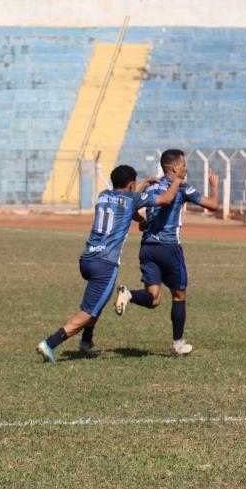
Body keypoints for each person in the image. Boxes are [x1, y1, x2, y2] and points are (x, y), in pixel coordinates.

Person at [36, 166, 180, 363]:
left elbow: (125, 199)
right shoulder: (133, 199)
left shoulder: (103, 195)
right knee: (88, 312)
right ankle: (50, 343)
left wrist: (144, 183)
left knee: (98, 302)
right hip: (105, 264)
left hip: (87, 259)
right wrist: (178, 181)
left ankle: (86, 340)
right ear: (131, 185)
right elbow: (166, 199)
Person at [114, 149, 220, 356]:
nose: (186, 169)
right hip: (169, 248)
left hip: (147, 248)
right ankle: (178, 344)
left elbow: (130, 205)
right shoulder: (181, 187)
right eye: (184, 165)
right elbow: (214, 206)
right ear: (174, 168)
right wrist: (214, 186)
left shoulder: (152, 186)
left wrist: (142, 220)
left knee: (154, 299)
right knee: (179, 296)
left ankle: (129, 295)